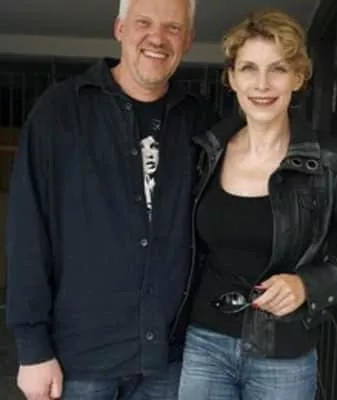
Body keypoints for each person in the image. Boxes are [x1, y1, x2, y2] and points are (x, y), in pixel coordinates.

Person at [6, 0, 219, 399]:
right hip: (81, 359)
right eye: (144, 23)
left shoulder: (201, 121)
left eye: (172, 28)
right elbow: (28, 230)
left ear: (189, 40)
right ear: (119, 28)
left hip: (171, 359)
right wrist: (31, 346)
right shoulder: (59, 110)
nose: (157, 38)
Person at [178, 9, 337, 400]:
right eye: (249, 68)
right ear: (231, 78)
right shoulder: (207, 151)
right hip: (205, 341)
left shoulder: (332, 160)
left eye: (277, 69)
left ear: (298, 77)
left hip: (284, 351)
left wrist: (308, 285)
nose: (262, 84)